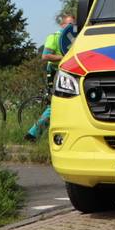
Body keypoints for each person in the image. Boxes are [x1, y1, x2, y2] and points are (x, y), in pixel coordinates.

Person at [25, 15, 73, 143]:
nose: (71, 27)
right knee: (56, 104)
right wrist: (64, 57)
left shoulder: (76, 38)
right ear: (62, 25)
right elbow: (45, 56)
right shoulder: (54, 37)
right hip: (54, 72)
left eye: (73, 24)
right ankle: (33, 134)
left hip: (68, 73)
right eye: (69, 24)